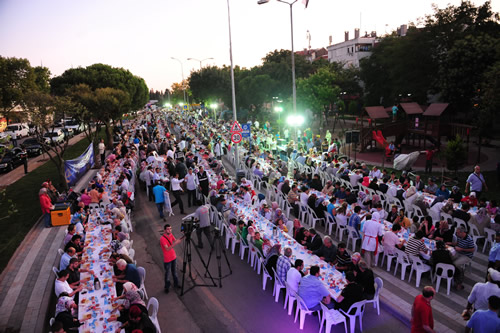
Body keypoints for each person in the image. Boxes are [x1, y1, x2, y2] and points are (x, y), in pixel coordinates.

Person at [160, 224, 181, 293]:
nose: (170, 230)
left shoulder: (171, 235)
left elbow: (175, 240)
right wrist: (175, 243)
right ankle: (167, 287)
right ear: (165, 230)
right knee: (168, 274)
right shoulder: (162, 239)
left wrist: (181, 237)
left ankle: (176, 284)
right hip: (167, 259)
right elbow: (167, 248)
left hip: (173, 257)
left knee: (174, 272)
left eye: (170, 228)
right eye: (168, 229)